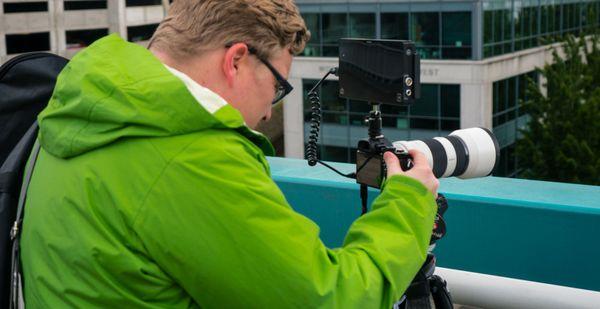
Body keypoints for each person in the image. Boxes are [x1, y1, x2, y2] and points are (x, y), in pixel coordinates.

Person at [20, 0, 439, 307]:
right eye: (278, 85)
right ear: (237, 60)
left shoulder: (87, 108)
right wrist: (408, 201)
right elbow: (330, 298)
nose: (269, 109)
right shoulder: (191, 153)